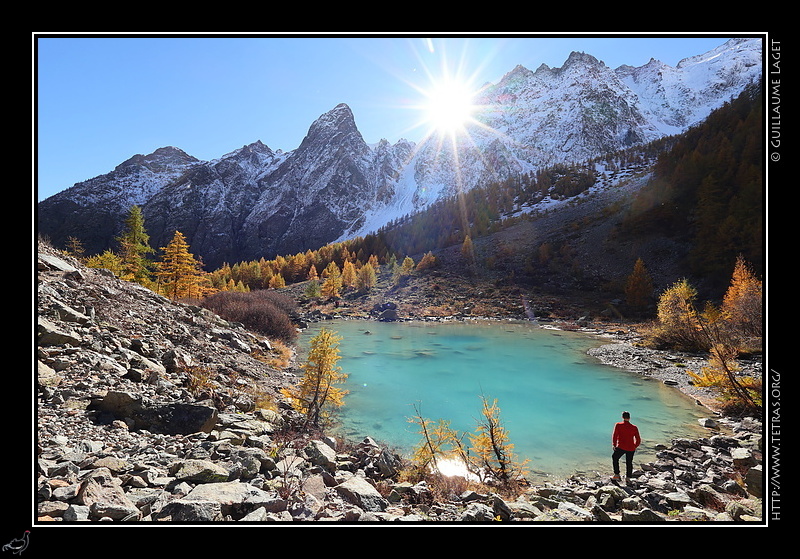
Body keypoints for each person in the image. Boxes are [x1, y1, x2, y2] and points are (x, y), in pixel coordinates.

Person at [611, 411, 640, 481]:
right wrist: (634, 446)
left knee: (615, 458)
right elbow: (638, 439)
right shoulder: (634, 427)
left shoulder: (618, 425)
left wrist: (614, 445)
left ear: (622, 417)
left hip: (621, 446)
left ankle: (617, 474)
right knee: (629, 462)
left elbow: (615, 436)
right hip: (631, 448)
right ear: (629, 418)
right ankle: (628, 478)